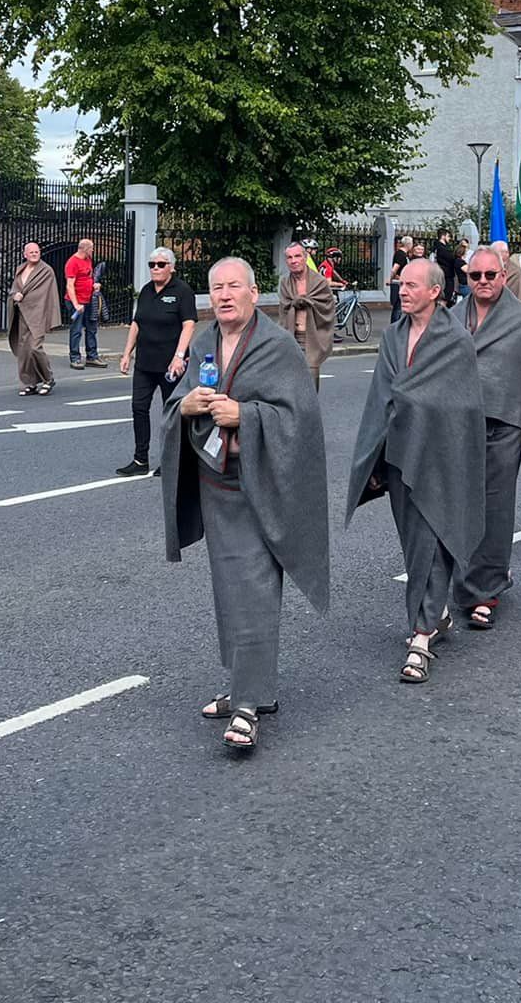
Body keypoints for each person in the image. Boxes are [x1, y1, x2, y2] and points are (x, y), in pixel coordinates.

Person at [163, 257, 328, 752]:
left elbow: (301, 421)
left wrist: (245, 414)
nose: (226, 295)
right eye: (217, 288)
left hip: (261, 486)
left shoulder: (277, 348)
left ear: (256, 293)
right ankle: (249, 684)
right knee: (230, 590)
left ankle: (248, 707)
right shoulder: (203, 343)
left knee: (255, 589)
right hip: (217, 486)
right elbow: (178, 402)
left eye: (235, 286)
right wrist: (187, 405)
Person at [344, 258, 485, 685]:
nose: (402, 291)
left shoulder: (456, 340)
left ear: (434, 292)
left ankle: (420, 638)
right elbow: (379, 403)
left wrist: (416, 402)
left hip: (440, 459)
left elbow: (462, 407)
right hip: (399, 458)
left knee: (431, 540)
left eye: (411, 285)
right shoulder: (391, 338)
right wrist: (372, 460)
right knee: (414, 546)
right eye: (400, 284)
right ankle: (437, 614)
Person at [451, 247, 521, 627]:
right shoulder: (451, 318)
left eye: (490, 276)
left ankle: (485, 589)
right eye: (475, 276)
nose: (482, 282)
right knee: (461, 506)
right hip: (460, 426)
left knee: (495, 509)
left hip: (504, 426)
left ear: (503, 276)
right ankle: (468, 581)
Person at [117, 247, 196, 475]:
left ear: (171, 267)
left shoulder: (182, 291)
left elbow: (188, 324)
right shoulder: (146, 291)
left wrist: (179, 357)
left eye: (161, 264)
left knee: (171, 413)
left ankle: (172, 460)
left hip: (171, 365)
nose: (155, 269)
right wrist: (126, 354)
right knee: (138, 408)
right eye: (152, 264)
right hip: (145, 363)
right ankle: (140, 460)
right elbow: (137, 323)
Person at [278, 242, 337, 386]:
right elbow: (283, 311)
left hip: (311, 337)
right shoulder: (285, 283)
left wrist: (305, 301)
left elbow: (328, 309)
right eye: (289, 257)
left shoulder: (320, 283)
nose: (294, 261)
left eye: (297, 256)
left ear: (305, 257)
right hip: (291, 337)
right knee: (289, 382)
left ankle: (310, 408)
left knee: (310, 381)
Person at [8, 243, 61, 398]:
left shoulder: (46, 271)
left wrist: (24, 297)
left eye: (37, 252)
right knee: (24, 350)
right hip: (22, 314)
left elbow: (44, 295)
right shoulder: (20, 269)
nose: (34, 254)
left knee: (34, 347)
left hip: (37, 314)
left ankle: (48, 379)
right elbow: (14, 289)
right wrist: (15, 295)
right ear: (25, 254)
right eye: (31, 252)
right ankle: (29, 383)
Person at [65, 238, 101, 368]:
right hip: (77, 301)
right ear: (85, 249)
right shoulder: (72, 263)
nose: (93, 250)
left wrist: (94, 285)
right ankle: (75, 358)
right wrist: (76, 304)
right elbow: (70, 285)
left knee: (92, 328)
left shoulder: (88, 260)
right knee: (76, 330)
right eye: (91, 248)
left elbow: (88, 277)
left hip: (89, 299)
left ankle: (92, 356)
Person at [388, 233, 412, 321]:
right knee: (398, 307)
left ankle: (396, 324)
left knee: (399, 306)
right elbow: (395, 268)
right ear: (408, 244)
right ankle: (395, 325)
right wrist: (390, 279)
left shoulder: (402, 254)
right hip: (399, 283)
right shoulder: (401, 255)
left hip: (401, 282)